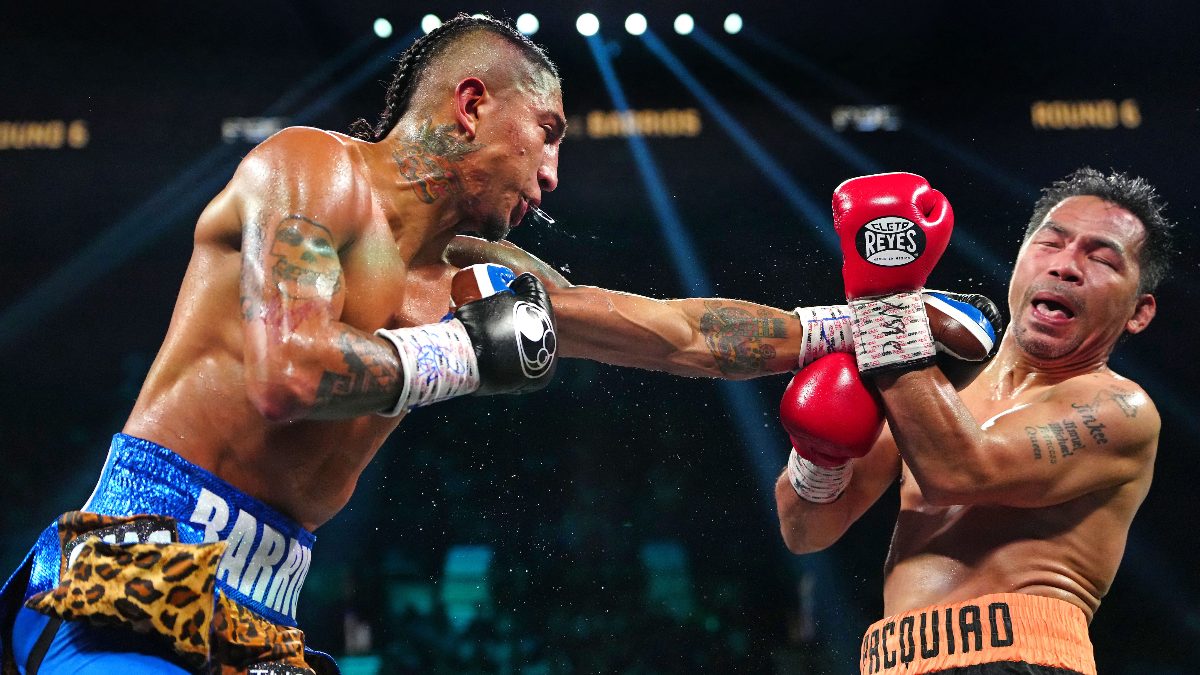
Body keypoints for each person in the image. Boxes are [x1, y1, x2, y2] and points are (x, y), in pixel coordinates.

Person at [1, 15, 998, 675]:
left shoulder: (487, 279)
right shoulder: (309, 172)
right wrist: (463, 353)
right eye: (549, 130)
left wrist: (870, 324)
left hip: (265, 609)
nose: (555, 174)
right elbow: (288, 374)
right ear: (473, 103)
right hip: (139, 570)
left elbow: (678, 335)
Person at [776, 168, 1173, 675]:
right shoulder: (931, 389)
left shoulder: (1122, 410)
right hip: (891, 662)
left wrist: (882, 298)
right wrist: (819, 455)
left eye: (1101, 258)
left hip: (1020, 660)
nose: (1066, 266)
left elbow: (962, 472)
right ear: (1019, 262)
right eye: (1050, 244)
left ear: (1139, 312)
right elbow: (806, 532)